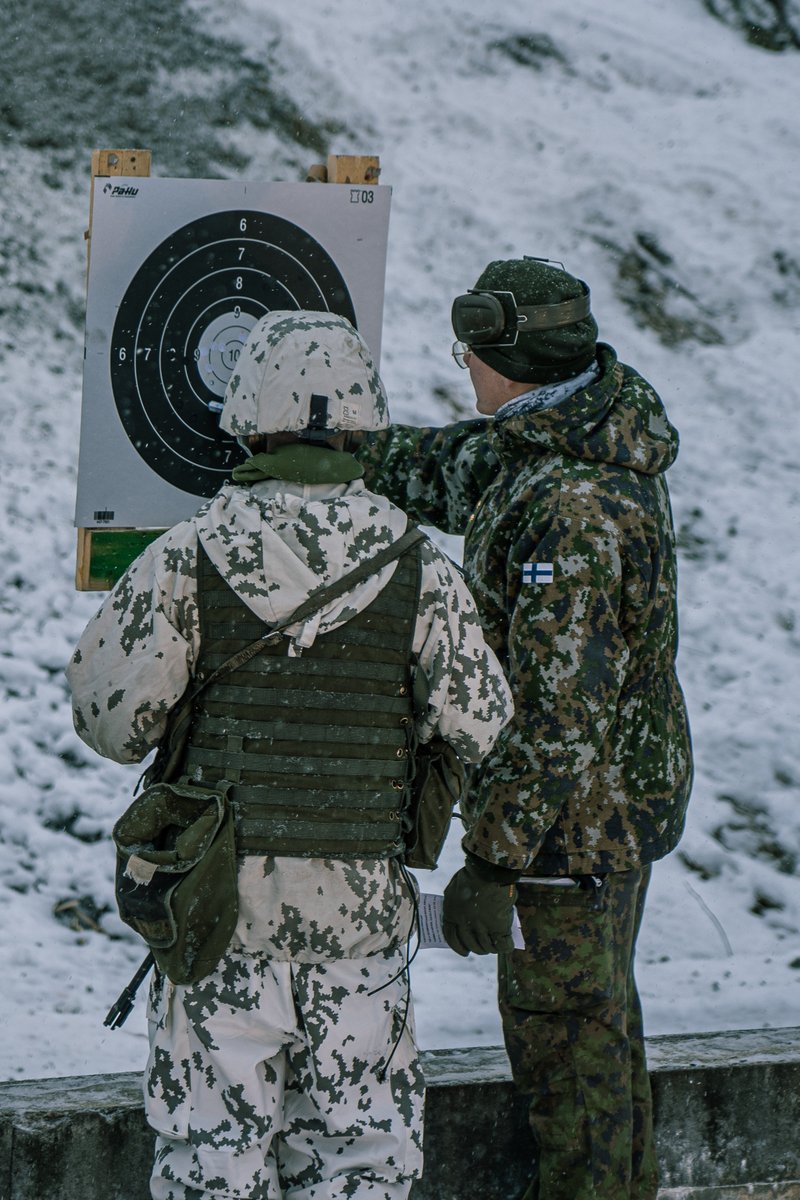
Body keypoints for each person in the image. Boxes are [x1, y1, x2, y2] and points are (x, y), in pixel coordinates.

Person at [67, 310, 513, 1200]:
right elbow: (482, 719)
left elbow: (111, 724)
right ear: (364, 421)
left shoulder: (186, 559)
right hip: (360, 933)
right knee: (360, 1167)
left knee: (211, 1167)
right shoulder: (422, 567)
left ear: (242, 413)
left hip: (216, 923)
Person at [357, 258, 694, 1200]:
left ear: (506, 360)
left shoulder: (574, 507)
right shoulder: (560, 441)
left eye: (468, 353)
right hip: (598, 812)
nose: (462, 369)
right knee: (596, 1040)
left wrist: (496, 858)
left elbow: (558, 710)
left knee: (573, 1065)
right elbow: (455, 467)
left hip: (573, 829)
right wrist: (348, 447)